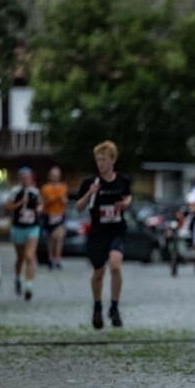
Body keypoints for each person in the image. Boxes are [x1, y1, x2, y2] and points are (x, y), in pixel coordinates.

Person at [75, 140, 131, 329]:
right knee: (99, 272)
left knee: (115, 265)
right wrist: (89, 194)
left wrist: (126, 204)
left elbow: (128, 196)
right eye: (98, 160)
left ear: (112, 160)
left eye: (104, 160)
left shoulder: (122, 180)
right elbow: (78, 207)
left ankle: (114, 307)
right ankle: (97, 306)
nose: (101, 164)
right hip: (97, 234)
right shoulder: (91, 183)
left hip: (117, 231)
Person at [5, 167, 42, 301]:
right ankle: (18, 277)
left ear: (31, 178)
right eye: (23, 178)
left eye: (28, 178)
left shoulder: (35, 192)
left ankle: (29, 286)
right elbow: (7, 207)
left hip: (32, 227)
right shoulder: (15, 191)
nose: (26, 180)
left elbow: (40, 205)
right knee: (20, 257)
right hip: (18, 227)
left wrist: (38, 209)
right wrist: (20, 203)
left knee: (29, 256)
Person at [40, 165, 69, 270]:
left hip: (59, 215)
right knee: (50, 238)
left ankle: (58, 258)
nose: (54, 177)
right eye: (53, 175)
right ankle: (50, 257)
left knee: (59, 236)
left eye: (56, 175)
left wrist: (62, 199)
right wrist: (50, 200)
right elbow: (42, 203)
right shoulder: (45, 188)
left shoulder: (63, 187)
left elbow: (65, 201)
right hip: (49, 215)